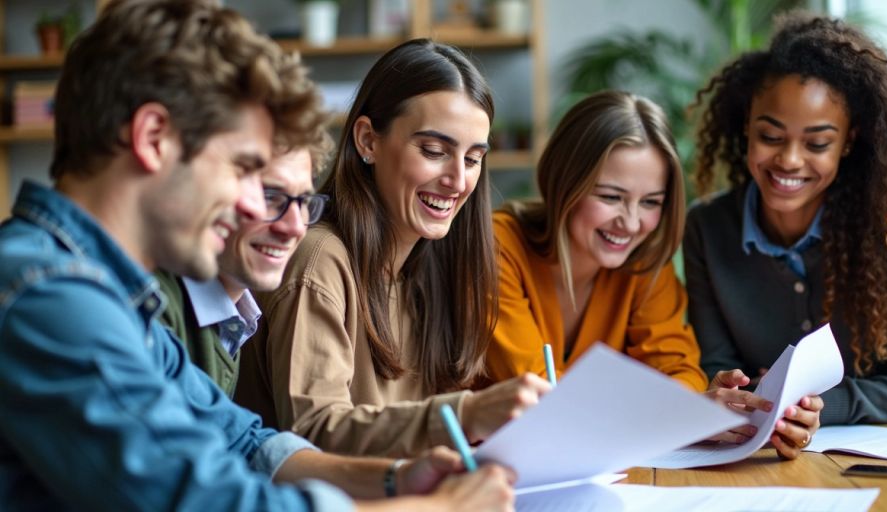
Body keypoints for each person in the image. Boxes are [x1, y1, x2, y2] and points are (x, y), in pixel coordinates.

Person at [0, 1, 514, 510]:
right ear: (153, 138)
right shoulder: (49, 293)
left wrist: (397, 479)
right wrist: (442, 508)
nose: (254, 205)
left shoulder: (122, 300)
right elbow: (212, 504)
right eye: (243, 167)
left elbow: (246, 443)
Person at [234, 38, 551, 458]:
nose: (458, 181)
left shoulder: (427, 268)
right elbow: (310, 435)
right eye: (434, 151)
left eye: (473, 159)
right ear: (367, 140)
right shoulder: (319, 260)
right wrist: (466, 414)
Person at [684, 12, 887, 426]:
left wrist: (820, 408)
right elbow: (716, 366)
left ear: (848, 142)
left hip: (861, 465)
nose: (790, 160)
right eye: (770, 137)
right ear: (746, 128)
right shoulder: (706, 228)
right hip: (754, 459)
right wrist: (731, 396)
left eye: (817, 143)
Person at [485, 90, 821, 459]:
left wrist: (697, 408)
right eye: (610, 197)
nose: (630, 223)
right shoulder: (497, 248)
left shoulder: (643, 261)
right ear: (562, 182)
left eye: (650, 203)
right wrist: (676, 412)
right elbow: (539, 398)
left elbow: (678, 367)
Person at [155, 141, 330, 396]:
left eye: (303, 201)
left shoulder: (236, 319)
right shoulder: (154, 306)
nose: (294, 227)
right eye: (269, 196)